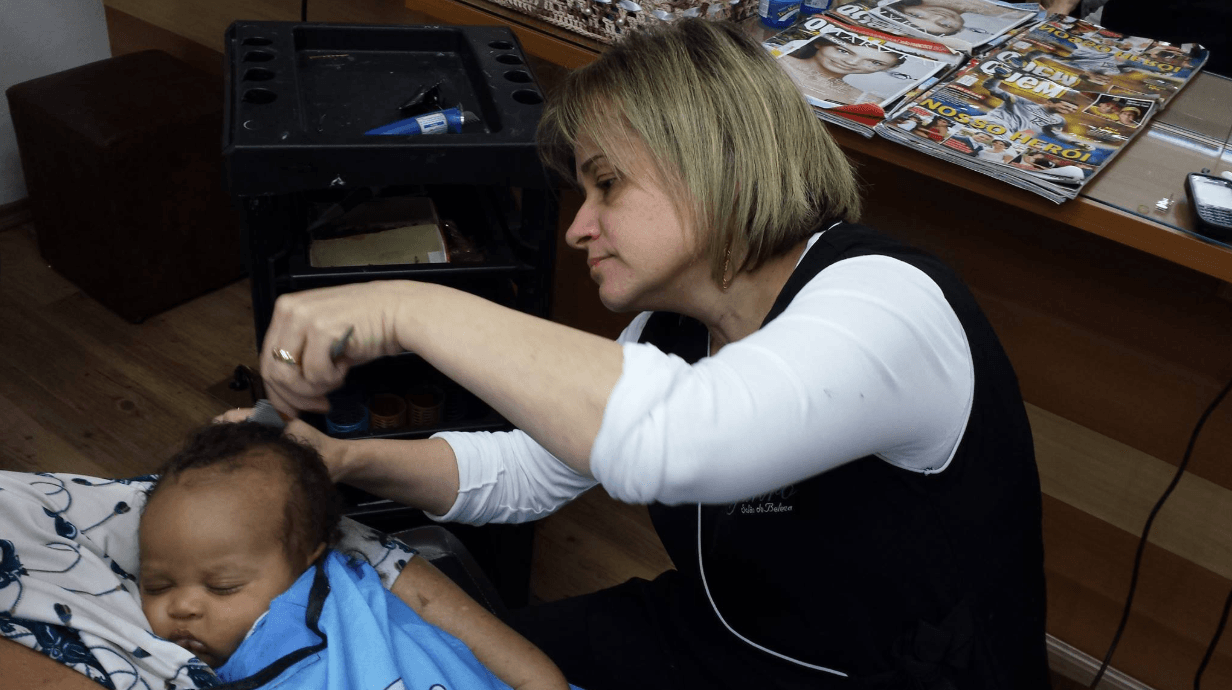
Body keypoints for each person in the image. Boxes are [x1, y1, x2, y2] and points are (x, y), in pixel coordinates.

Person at [239, 18, 1049, 690]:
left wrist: (404, 305)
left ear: (712, 155)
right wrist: (341, 461)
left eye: (607, 185)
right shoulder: (671, 331)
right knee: (441, 663)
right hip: (720, 641)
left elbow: (681, 439)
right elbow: (525, 471)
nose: (578, 227)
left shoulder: (888, 301)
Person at [139, 421, 570, 690]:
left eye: (222, 586)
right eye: (155, 584)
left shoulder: (348, 589)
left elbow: (536, 675)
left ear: (309, 563)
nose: (182, 606)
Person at [780, 32, 908, 105]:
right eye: (843, 51)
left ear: (888, 68)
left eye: (875, 62)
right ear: (819, 42)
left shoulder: (869, 102)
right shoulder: (773, 60)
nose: (852, 62)